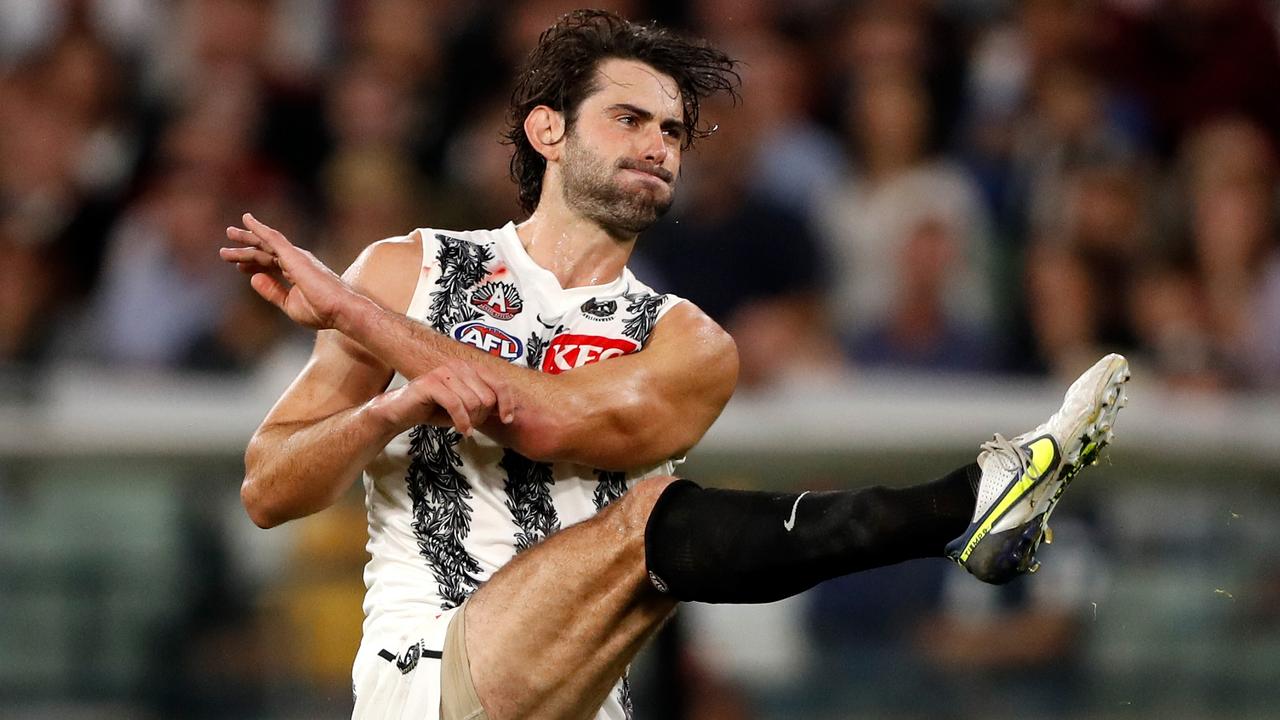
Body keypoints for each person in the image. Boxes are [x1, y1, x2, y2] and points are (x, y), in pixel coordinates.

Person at [219, 10, 1130, 720]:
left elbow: (534, 413)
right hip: (428, 680)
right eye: (629, 118)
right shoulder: (405, 268)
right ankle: (962, 504)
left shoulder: (688, 344)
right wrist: (382, 414)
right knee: (647, 514)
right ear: (548, 131)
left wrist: (356, 318)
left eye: (674, 130)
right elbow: (269, 488)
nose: (659, 144)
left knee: (646, 525)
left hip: (576, 697)